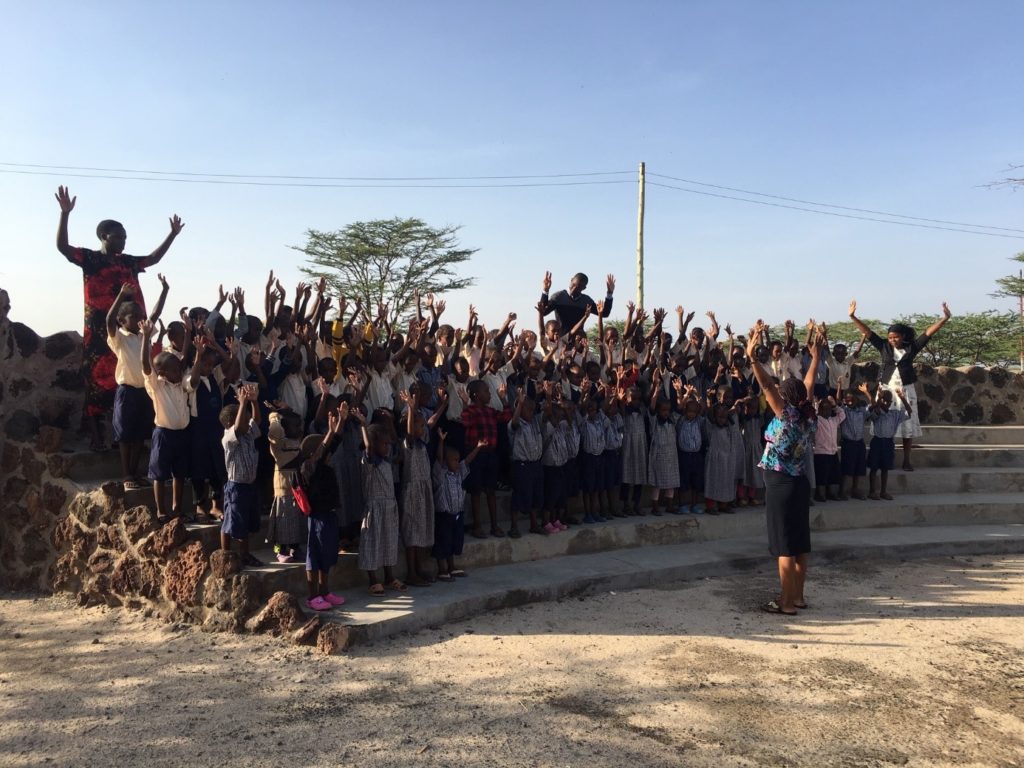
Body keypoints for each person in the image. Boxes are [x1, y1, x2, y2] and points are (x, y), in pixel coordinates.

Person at [55, 186, 184, 451]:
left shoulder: (128, 263)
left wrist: (172, 234)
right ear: (104, 236)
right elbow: (62, 247)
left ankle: (131, 435)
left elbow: (154, 258)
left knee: (137, 379)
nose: (123, 241)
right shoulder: (90, 258)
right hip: (101, 329)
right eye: (118, 237)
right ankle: (98, 436)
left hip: (134, 328)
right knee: (97, 380)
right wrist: (64, 214)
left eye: (125, 237)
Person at [748, 320, 824, 616]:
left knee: (784, 545)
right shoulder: (808, 414)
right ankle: (800, 596)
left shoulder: (787, 413)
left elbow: (766, 384)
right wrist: (815, 357)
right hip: (800, 481)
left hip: (780, 483)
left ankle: (786, 602)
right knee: (801, 541)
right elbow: (809, 382)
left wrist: (753, 358)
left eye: (782, 391)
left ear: (786, 397)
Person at [848, 300, 952, 471]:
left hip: (905, 390)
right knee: (881, 420)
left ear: (903, 336)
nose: (892, 340)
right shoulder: (883, 347)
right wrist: (852, 316)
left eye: (896, 337)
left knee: (907, 425)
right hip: (886, 390)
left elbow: (927, 333)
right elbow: (868, 332)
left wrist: (945, 318)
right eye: (890, 337)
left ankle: (906, 459)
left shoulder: (912, 348)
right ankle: (880, 456)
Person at [106, 280, 167, 490]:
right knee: (125, 435)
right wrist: (121, 296)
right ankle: (126, 473)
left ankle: (135, 472)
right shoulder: (119, 339)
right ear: (122, 320)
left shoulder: (144, 335)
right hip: (127, 390)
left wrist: (164, 290)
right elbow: (108, 320)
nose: (140, 320)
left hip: (145, 391)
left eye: (140, 316)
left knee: (140, 434)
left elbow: (155, 315)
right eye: (134, 317)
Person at [140, 320, 193, 525]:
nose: (179, 373)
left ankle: (177, 508)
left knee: (179, 473)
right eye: (174, 371)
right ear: (162, 374)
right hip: (164, 434)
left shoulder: (181, 384)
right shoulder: (157, 386)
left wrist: (188, 332)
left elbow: (185, 356)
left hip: (182, 433)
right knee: (160, 474)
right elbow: (146, 366)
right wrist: (146, 337)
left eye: (179, 370)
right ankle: (162, 510)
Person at [297, 407, 348, 611]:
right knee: (314, 556)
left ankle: (325, 591)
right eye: (322, 449)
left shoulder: (324, 465)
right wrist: (329, 432)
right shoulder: (308, 467)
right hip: (316, 517)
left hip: (329, 514)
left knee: (327, 555)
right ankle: (313, 596)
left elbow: (333, 443)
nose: (328, 452)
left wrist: (340, 423)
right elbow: (324, 448)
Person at [355, 411, 405, 595]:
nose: (387, 447)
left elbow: (394, 444)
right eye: (384, 444)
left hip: (389, 508)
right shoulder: (369, 462)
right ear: (373, 443)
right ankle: (373, 579)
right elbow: (368, 448)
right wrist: (363, 425)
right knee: (372, 543)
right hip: (375, 510)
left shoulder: (385, 461)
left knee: (389, 543)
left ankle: (389, 576)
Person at [219, 383, 263, 567]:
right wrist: (242, 404)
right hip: (236, 486)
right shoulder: (229, 437)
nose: (248, 421)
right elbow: (238, 427)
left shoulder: (248, 434)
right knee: (232, 520)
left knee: (245, 521)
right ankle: (226, 554)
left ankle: (244, 554)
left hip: (249, 485)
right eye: (244, 418)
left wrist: (253, 402)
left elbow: (257, 421)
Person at [432, 431, 486, 580]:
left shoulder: (458, 474)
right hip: (444, 515)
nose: (457, 463)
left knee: (453, 541)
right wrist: (441, 442)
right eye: (454, 460)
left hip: (457, 514)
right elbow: (439, 458)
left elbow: (467, 461)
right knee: (443, 541)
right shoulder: (441, 475)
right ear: (446, 462)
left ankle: (451, 566)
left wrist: (478, 447)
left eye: (457, 460)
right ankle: (441, 568)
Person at [866, 386, 912, 500]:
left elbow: (909, 412)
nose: (885, 402)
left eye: (888, 401)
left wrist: (902, 398)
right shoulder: (877, 411)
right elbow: (873, 412)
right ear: (880, 400)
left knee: (885, 468)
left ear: (891, 402)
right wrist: (878, 399)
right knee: (874, 467)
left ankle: (883, 491)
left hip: (888, 442)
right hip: (877, 441)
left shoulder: (895, 414)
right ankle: (872, 491)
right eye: (883, 400)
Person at [539, 271, 615, 333]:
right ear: (571, 280)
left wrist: (609, 293)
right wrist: (545, 291)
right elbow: (544, 311)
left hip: (578, 341)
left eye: (578, 287)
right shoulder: (559, 297)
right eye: (573, 284)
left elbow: (604, 313)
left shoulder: (586, 301)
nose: (574, 288)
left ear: (584, 288)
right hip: (561, 340)